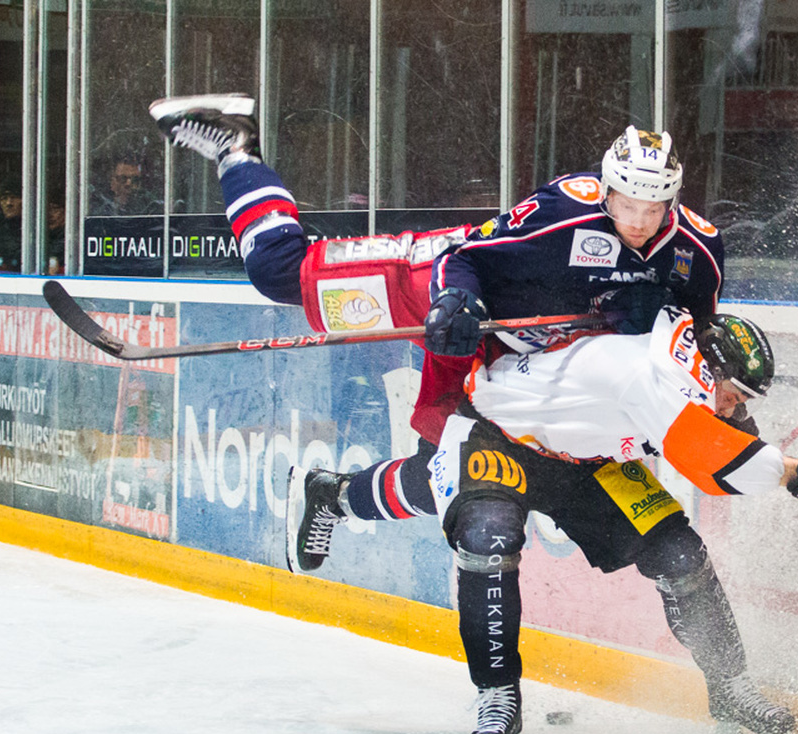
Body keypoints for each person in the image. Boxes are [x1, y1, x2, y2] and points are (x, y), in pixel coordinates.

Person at [148, 94, 726, 566]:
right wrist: (457, 299)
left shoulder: (697, 251)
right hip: (464, 303)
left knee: (447, 471)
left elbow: (700, 345)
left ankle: (331, 495)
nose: (640, 222)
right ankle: (236, 149)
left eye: (655, 208)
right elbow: (468, 255)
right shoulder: (564, 210)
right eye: (628, 204)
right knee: (278, 271)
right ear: (606, 188)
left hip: (540, 371)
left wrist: (666, 328)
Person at [426, 305, 798, 734]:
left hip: (588, 462)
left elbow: (739, 443)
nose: (731, 407)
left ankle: (730, 686)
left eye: (741, 399)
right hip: (498, 438)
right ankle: (498, 694)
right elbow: (710, 462)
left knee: (680, 554)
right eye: (731, 395)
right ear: (710, 371)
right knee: (489, 541)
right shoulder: (650, 375)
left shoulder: (698, 372)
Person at [91, 154, 162, 216]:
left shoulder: (152, 209)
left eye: (135, 179)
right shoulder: (99, 211)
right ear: (112, 182)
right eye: (122, 178)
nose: (128, 184)